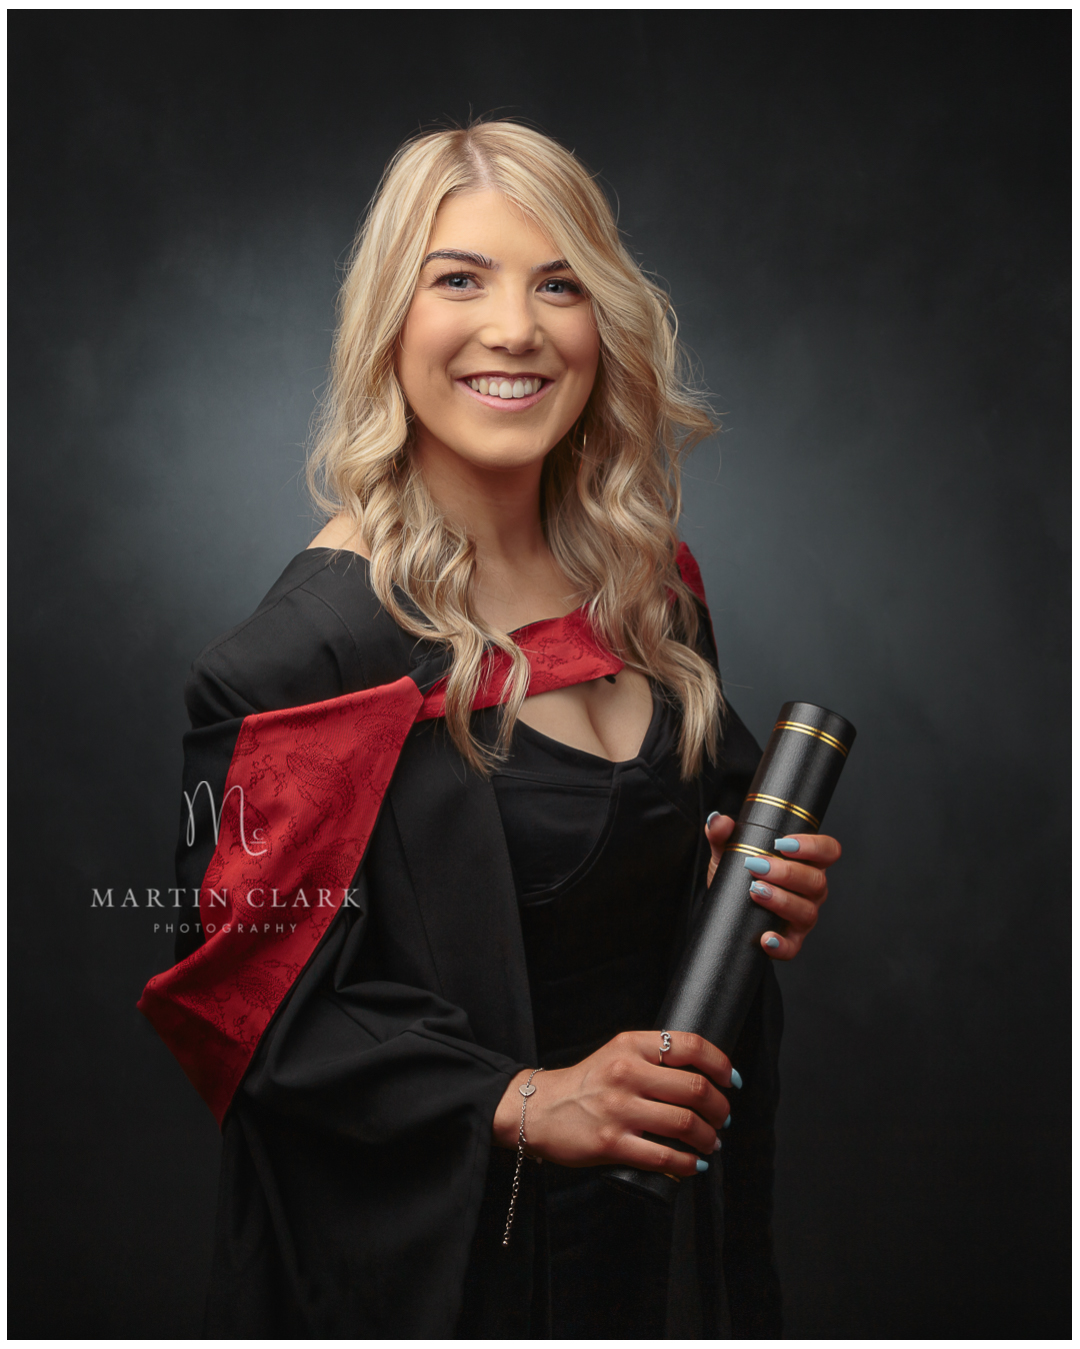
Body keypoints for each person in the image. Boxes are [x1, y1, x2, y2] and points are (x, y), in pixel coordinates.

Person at [140, 119, 841, 1339]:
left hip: (659, 1249)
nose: (515, 328)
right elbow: (255, 1007)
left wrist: (742, 873)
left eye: (557, 283)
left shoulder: (646, 590)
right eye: (458, 277)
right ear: (389, 325)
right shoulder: (309, 660)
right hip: (454, 1273)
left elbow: (687, 824)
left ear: (601, 322)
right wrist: (523, 1096)